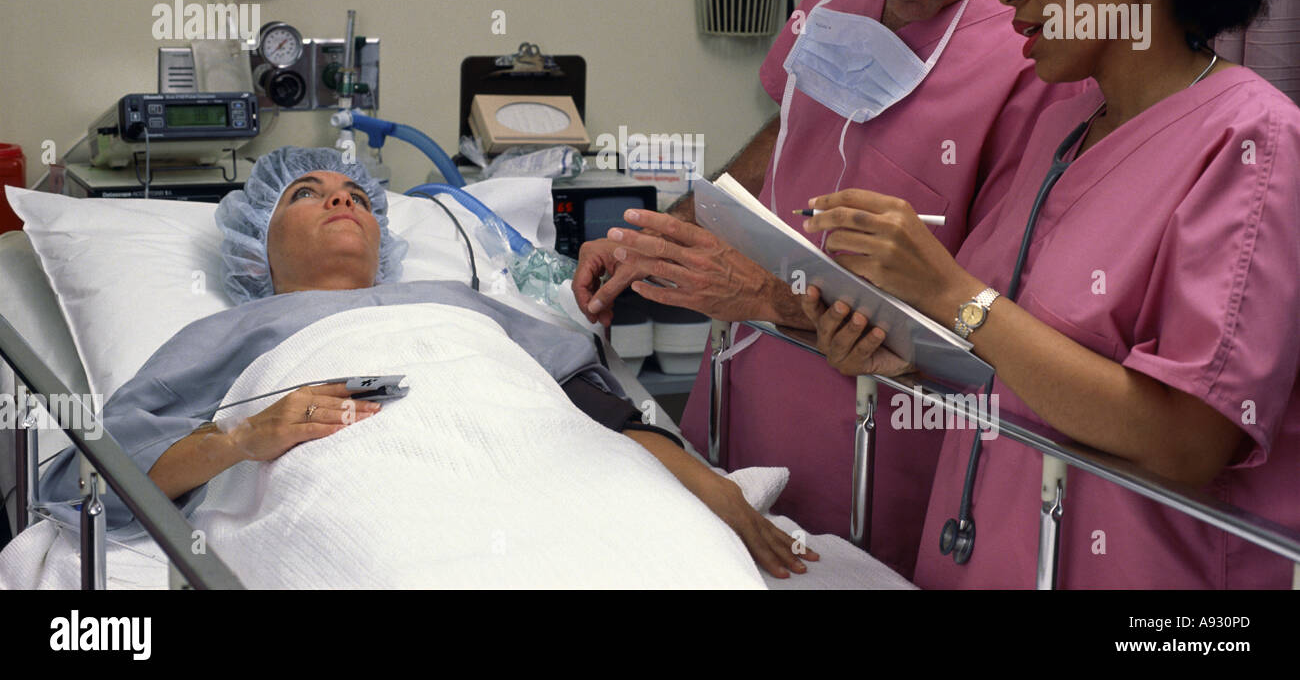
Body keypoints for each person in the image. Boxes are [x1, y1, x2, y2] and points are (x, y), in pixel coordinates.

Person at [573, 0, 1085, 577]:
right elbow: (793, 126)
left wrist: (769, 297)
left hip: (881, 430)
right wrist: (674, 227)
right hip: (743, 382)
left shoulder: (1040, 55)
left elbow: (980, 334)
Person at [800, 0, 1300, 588]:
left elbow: (1188, 439)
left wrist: (955, 292)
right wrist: (900, 349)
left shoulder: (1253, 142)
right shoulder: (1064, 132)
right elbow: (1012, 359)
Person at [42, 147, 816, 579]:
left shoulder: (468, 304)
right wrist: (241, 440)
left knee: (683, 561)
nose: (340, 200)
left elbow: (603, 412)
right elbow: (90, 480)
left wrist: (709, 488)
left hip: (548, 460)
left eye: (355, 194)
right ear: (256, 245)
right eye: (306, 194)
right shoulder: (232, 333)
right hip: (366, 472)